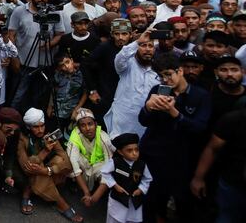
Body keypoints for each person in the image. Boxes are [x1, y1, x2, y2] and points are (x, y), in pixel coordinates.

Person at [138, 53, 210, 223]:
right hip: (153, 155)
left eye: (168, 74)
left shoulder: (200, 96)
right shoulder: (157, 90)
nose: (165, 79)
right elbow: (143, 121)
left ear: (180, 71)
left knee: (182, 203)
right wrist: (148, 108)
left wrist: (174, 113)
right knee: (151, 201)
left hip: (181, 160)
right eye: (161, 76)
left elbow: (199, 128)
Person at [16, 107, 82, 222]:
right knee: (34, 162)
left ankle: (28, 192)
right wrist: (45, 151)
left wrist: (47, 171)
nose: (40, 130)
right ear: (29, 127)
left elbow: (66, 161)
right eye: (36, 127)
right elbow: (27, 168)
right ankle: (61, 203)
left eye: (42, 126)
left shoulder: (49, 136)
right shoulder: (22, 139)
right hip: (24, 174)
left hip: (44, 172)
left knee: (59, 161)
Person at [104, 29, 159, 138]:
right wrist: (137, 41)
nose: (147, 49)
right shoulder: (127, 64)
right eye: (143, 45)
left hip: (146, 121)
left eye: (150, 46)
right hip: (124, 120)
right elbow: (120, 59)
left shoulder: (158, 69)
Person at [87, 133, 152, 223]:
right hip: (118, 200)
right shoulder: (115, 162)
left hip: (134, 201)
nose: (134, 153)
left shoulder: (142, 165)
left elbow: (147, 179)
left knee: (132, 219)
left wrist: (141, 189)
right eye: (129, 150)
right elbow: (105, 172)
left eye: (136, 150)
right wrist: (115, 185)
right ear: (120, 152)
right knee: (115, 219)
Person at [65, 108, 114, 206]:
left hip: (99, 164)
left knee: (107, 172)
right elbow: (75, 166)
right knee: (69, 163)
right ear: (78, 128)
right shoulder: (75, 136)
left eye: (90, 124)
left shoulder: (104, 138)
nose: (87, 128)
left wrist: (93, 198)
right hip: (84, 163)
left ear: (95, 124)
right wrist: (86, 193)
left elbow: (109, 166)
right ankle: (79, 186)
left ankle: (100, 193)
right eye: (83, 125)